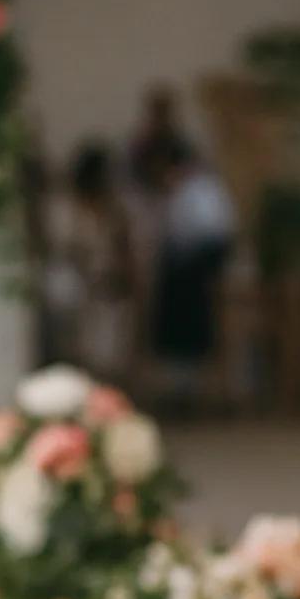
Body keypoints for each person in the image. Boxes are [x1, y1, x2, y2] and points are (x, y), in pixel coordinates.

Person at [148, 141, 237, 411]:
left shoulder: (201, 190)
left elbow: (214, 235)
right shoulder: (182, 192)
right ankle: (180, 388)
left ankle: (192, 390)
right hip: (183, 270)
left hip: (196, 273)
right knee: (177, 334)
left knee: (194, 333)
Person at [44, 143, 135, 381]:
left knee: (111, 355)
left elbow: (125, 251)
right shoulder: (70, 213)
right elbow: (66, 252)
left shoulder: (116, 212)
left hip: (111, 290)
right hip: (81, 292)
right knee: (81, 354)